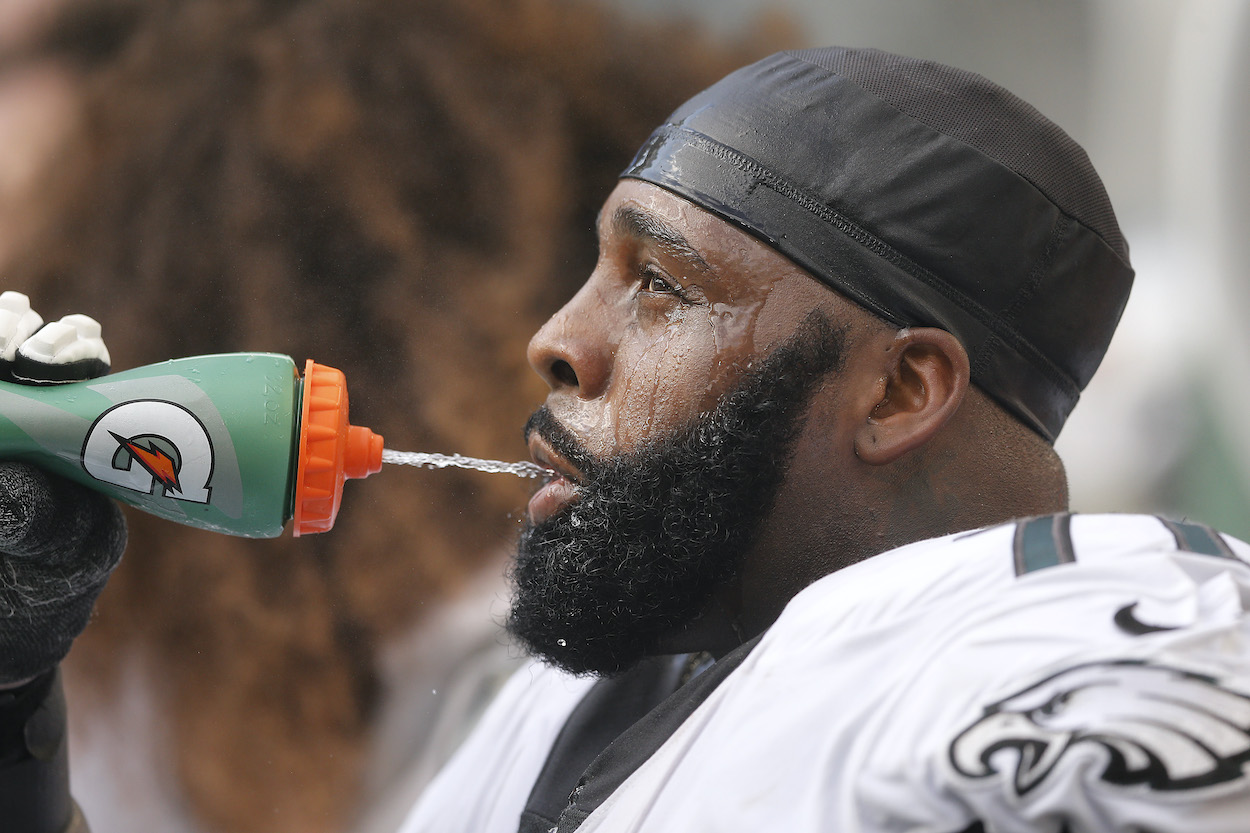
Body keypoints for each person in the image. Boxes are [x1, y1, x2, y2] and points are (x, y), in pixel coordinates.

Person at [7, 43, 1250, 833]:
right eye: (590, 271)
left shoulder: (1103, 625)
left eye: (660, 285)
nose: (555, 338)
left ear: (896, 392)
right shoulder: (570, 704)